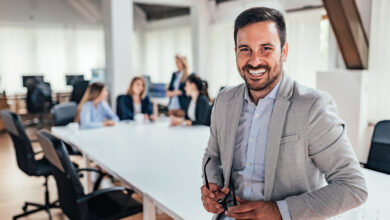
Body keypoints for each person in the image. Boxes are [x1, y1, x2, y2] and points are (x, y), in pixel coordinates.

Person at [201, 7, 367, 220]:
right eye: (245, 49)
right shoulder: (224, 100)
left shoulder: (313, 106)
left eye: (266, 48)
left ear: (284, 51)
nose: (254, 61)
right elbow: (212, 155)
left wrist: (279, 211)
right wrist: (212, 186)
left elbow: (353, 186)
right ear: (235, 52)